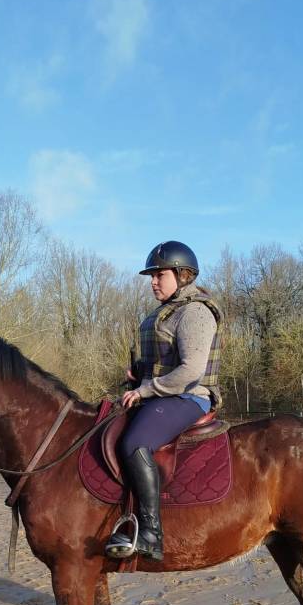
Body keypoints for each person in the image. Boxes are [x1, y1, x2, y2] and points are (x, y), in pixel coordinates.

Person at [105, 241, 223, 562]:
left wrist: (144, 390)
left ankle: (150, 534)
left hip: (190, 396)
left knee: (134, 442)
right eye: (151, 276)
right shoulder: (166, 311)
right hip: (164, 392)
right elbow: (164, 360)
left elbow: (190, 370)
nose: (153, 281)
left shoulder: (196, 311)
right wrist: (139, 374)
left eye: (159, 274)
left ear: (183, 275)